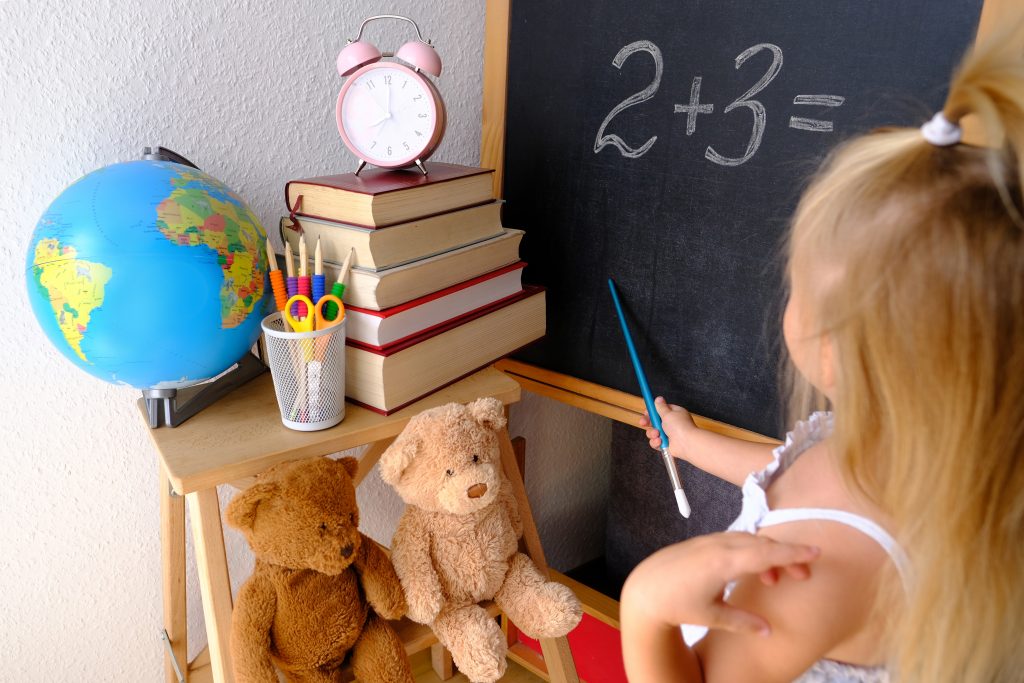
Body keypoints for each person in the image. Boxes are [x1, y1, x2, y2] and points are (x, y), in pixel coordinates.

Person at [622, 29, 1024, 683]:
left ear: (836, 348)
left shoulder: (812, 567)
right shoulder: (920, 454)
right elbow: (789, 477)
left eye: (795, 285)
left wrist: (645, 606)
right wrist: (690, 445)